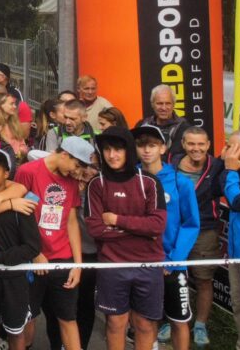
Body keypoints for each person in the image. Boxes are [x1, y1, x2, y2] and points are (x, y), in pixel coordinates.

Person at [86, 126, 167, 350]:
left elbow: (157, 225)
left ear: (129, 150)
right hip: (113, 265)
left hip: (148, 264)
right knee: (115, 322)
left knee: (144, 324)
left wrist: (117, 220)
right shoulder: (96, 184)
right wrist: (140, 231)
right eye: (107, 149)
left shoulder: (150, 182)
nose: (112, 155)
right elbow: (95, 229)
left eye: (118, 149)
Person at [12, 136, 94, 350]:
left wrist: (77, 264)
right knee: (26, 320)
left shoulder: (72, 181)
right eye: (76, 165)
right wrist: (34, 252)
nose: (77, 171)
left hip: (62, 258)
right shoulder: (28, 171)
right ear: (64, 154)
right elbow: (20, 216)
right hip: (33, 258)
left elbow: (71, 222)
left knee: (68, 317)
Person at [132, 124, 199, 350]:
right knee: (144, 321)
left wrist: (174, 259)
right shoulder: (130, 179)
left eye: (152, 145)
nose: (147, 150)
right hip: (141, 264)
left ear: (163, 148)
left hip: (172, 264)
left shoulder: (181, 182)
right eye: (141, 145)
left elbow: (191, 224)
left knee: (179, 320)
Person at [0, 149, 41, 350]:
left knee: (16, 333)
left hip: (14, 280)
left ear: (6, 173)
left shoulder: (22, 206)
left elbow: (32, 247)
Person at [172, 126, 223, 346]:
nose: (196, 149)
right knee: (172, 278)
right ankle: (173, 319)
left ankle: (200, 324)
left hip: (205, 230)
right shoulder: (171, 164)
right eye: (191, 144)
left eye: (201, 144)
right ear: (183, 144)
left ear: (208, 145)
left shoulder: (218, 167)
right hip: (174, 230)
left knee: (203, 279)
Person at [220, 136, 240, 350]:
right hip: (237, 253)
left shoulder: (235, 174)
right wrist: (224, 166)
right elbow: (214, 189)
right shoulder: (235, 174)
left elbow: (237, 202)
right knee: (239, 306)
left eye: (231, 147)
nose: (226, 151)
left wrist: (231, 170)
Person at [134, 85, 189, 160]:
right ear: (152, 104)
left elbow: (175, 158)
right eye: (159, 103)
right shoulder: (142, 125)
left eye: (168, 103)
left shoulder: (183, 128)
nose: (163, 108)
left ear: (173, 104)